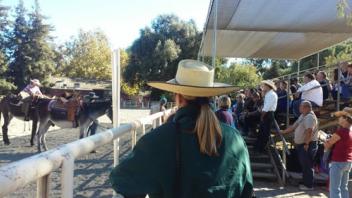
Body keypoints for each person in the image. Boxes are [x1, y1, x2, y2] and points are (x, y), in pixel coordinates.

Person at [109, 59, 253, 198]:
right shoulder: (235, 139)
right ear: (210, 97)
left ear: (177, 97)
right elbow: (247, 188)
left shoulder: (158, 140)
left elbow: (121, 180)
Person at [281, 101, 319, 190]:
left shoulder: (310, 117)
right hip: (302, 145)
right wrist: (283, 132)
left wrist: (306, 143)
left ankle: (309, 185)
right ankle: (306, 183)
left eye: (300, 107)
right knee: (304, 164)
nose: (299, 109)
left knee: (307, 165)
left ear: (306, 107)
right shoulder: (303, 115)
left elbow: (309, 131)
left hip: (307, 145)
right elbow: (294, 126)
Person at [324, 109, 352, 198]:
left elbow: (328, 145)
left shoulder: (341, 131)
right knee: (344, 187)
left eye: (340, 117)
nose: (339, 119)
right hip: (348, 162)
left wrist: (324, 140)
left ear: (345, 119)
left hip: (338, 161)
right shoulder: (350, 132)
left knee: (334, 189)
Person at [254, 80, 278, 152]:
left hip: (268, 114)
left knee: (265, 133)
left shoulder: (271, 95)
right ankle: (258, 147)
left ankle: (261, 149)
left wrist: (262, 116)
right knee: (262, 132)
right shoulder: (268, 94)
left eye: (264, 85)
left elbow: (266, 108)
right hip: (267, 114)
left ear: (268, 86)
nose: (263, 87)